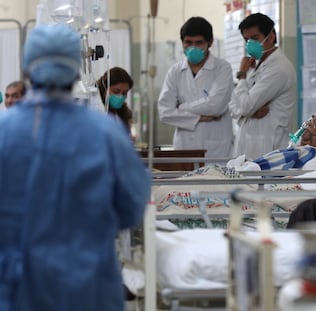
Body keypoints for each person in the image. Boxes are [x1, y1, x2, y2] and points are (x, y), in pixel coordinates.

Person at [0, 24, 151, 310]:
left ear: (27, 70)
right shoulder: (106, 134)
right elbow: (132, 208)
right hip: (87, 284)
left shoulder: (4, 133)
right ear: (77, 71)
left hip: (18, 287)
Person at [158, 16, 234, 158]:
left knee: (216, 177)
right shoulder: (175, 72)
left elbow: (215, 106)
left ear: (210, 42)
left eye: (199, 43)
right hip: (184, 147)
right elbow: (165, 113)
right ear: (182, 43)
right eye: (188, 42)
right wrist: (199, 118)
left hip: (216, 148)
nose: (193, 47)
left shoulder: (222, 68)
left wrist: (182, 108)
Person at [229, 12, 297, 160]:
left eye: (254, 38)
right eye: (246, 39)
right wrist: (249, 112)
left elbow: (245, 105)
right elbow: (233, 106)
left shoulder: (279, 68)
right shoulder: (255, 66)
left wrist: (241, 75)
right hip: (248, 145)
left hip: (269, 148)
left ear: (271, 36)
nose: (250, 44)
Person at [96, 67, 134, 133]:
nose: (120, 96)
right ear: (104, 89)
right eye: (116, 91)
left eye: (124, 93)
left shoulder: (123, 113)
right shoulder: (96, 108)